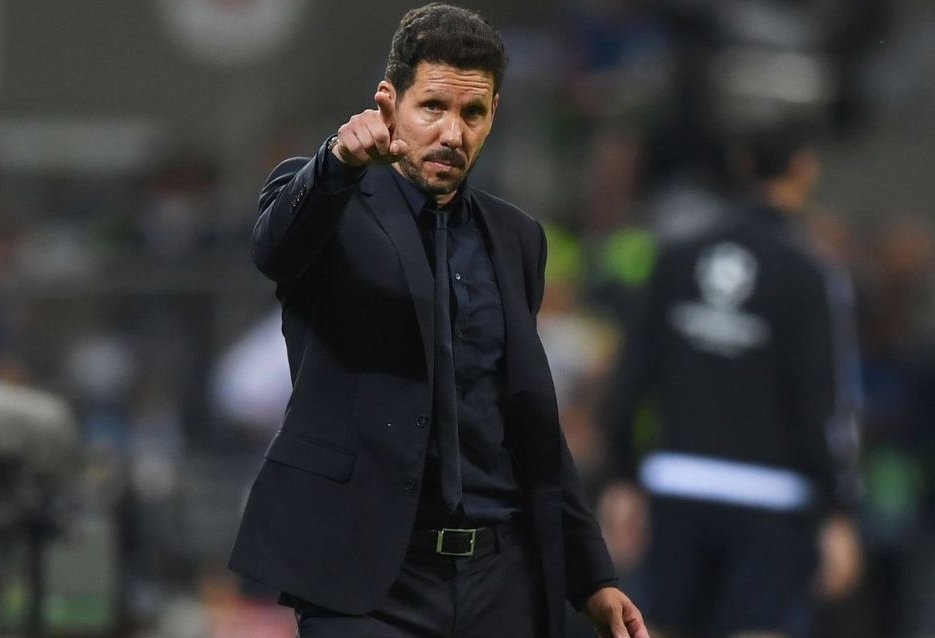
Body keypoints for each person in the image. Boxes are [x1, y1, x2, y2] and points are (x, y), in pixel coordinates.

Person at [227, 5, 649, 638]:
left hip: (500, 580)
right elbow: (274, 251)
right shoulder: (329, 198)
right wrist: (336, 164)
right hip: (367, 582)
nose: (453, 132)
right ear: (390, 103)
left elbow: (530, 420)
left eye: (472, 112)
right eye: (432, 107)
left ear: (493, 114)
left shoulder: (517, 238)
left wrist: (593, 576)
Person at [598, 122, 862, 638]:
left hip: (677, 482)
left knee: (660, 625)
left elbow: (630, 378)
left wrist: (622, 476)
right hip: (771, 496)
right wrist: (838, 509)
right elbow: (825, 403)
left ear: (741, 164)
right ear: (804, 172)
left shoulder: (676, 257)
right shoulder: (809, 275)